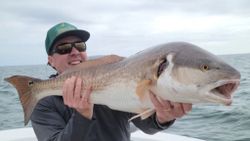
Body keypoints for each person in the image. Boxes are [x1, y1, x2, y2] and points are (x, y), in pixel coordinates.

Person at [30, 22, 192, 141]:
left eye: (80, 45)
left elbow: (145, 125)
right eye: (64, 48)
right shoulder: (43, 100)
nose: (74, 52)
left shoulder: (112, 79)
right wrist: (82, 115)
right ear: (51, 60)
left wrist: (163, 117)